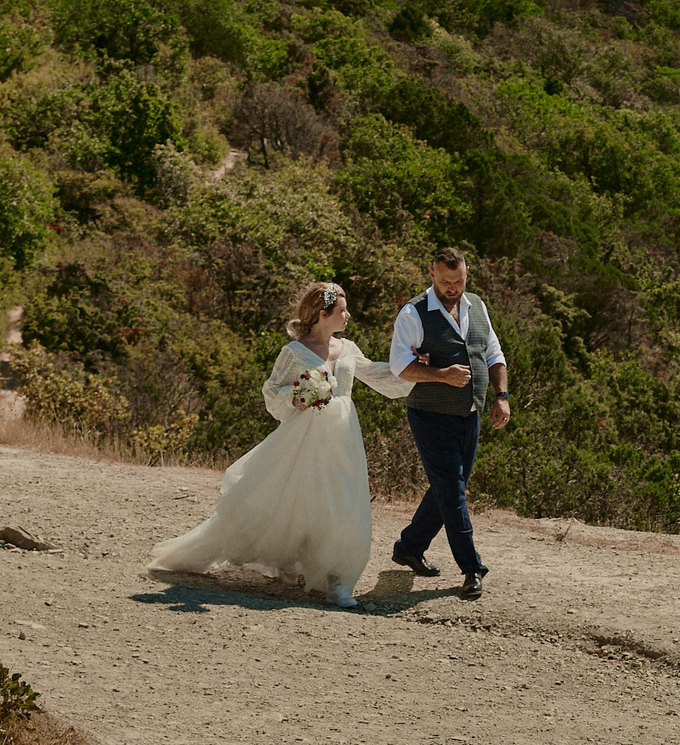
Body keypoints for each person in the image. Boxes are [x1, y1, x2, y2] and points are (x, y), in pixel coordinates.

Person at [146, 281, 409, 607]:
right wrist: (298, 397)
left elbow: (379, 374)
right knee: (295, 501)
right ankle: (289, 561)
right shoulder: (294, 353)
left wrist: (414, 369)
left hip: (343, 438)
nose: (348, 315)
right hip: (303, 438)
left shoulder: (348, 349)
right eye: (342, 310)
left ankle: (339, 581)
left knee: (344, 503)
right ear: (324, 314)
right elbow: (273, 392)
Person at [388, 248, 510, 599]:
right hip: (429, 415)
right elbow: (399, 365)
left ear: (467, 274)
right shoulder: (413, 312)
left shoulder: (477, 305)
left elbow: (493, 354)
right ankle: (471, 568)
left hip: (469, 414)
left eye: (458, 281)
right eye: (445, 282)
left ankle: (409, 547)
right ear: (432, 274)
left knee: (448, 489)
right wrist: (441, 374)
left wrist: (501, 396)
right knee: (454, 493)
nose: (453, 288)